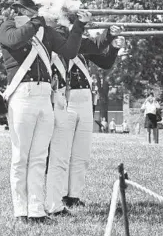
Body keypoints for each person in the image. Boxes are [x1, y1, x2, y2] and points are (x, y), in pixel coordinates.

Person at [0, 0, 90, 224]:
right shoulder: (9, 25)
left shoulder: (45, 31)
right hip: (23, 95)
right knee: (20, 158)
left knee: (39, 157)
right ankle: (20, 210)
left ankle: (36, 210)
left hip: (45, 96)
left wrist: (79, 25)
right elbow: (14, 39)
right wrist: (37, 21)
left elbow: (69, 51)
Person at [45, 20, 122, 216]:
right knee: (63, 152)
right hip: (66, 98)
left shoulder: (81, 45)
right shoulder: (57, 47)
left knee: (81, 152)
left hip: (86, 98)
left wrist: (113, 47)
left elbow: (104, 61)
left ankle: (74, 195)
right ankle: (59, 195)